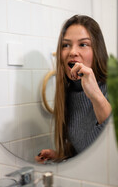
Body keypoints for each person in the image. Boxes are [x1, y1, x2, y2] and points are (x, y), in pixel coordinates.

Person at [36, 15, 111, 163]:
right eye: (66, 45)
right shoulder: (68, 94)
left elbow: (114, 146)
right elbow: (85, 149)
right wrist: (62, 156)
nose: (72, 52)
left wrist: (95, 95)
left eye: (83, 44)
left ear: (97, 51)